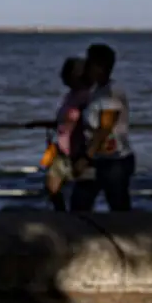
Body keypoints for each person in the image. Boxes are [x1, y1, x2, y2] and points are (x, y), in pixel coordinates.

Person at [71, 43, 135, 212]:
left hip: (115, 162)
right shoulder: (97, 90)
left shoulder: (110, 93)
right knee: (80, 204)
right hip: (99, 159)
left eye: (89, 63)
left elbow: (104, 129)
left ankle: (122, 236)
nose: (85, 66)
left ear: (100, 67)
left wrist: (85, 158)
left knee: (119, 209)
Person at [36, 57, 93, 211]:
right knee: (51, 186)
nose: (62, 76)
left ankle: (76, 221)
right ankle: (62, 215)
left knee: (81, 197)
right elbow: (63, 118)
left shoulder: (88, 97)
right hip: (61, 149)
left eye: (66, 73)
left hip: (79, 150)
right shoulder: (69, 96)